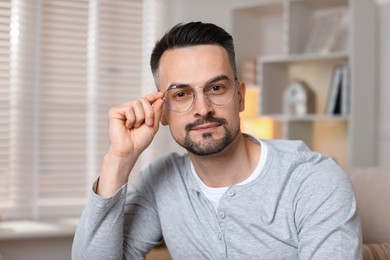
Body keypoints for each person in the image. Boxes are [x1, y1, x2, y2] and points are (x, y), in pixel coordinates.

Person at [72, 22, 361, 259]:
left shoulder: (313, 179)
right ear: (162, 112)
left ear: (240, 96)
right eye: (181, 94)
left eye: (216, 87)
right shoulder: (161, 182)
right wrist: (119, 159)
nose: (203, 108)